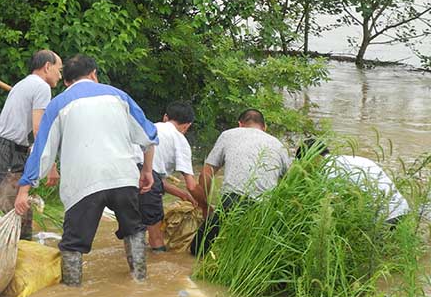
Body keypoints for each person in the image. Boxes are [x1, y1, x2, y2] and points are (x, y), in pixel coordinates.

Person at [14, 54, 158, 286]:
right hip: (123, 176)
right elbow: (149, 136)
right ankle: (140, 280)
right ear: (93, 74)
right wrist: (147, 171)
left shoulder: (58, 104)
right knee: (134, 230)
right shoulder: (119, 96)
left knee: (72, 244)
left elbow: (42, 151)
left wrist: (24, 189)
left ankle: (72, 295)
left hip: (82, 184)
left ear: (67, 82)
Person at [191, 108, 291, 256]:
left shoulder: (228, 135)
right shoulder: (278, 144)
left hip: (231, 203)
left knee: (197, 250)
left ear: (240, 124)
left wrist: (205, 205)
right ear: (265, 128)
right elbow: (289, 182)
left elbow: (207, 172)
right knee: (246, 254)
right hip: (264, 210)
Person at [0, 50, 62, 236]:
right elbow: (38, 129)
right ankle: (16, 257)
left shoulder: (23, 84)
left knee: (21, 211)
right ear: (47, 67)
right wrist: (51, 164)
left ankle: (22, 255)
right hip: (6, 153)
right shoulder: (42, 87)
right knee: (16, 213)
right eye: (59, 70)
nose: (60, 75)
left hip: (7, 150)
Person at [296, 138, 410, 226]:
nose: (306, 168)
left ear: (312, 157)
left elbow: (330, 205)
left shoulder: (328, 169)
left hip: (384, 218)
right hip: (403, 209)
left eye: (304, 162)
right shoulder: (350, 160)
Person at [135, 101, 200, 251]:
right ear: (187, 126)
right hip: (147, 181)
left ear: (165, 117)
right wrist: (203, 205)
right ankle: (159, 264)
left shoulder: (147, 128)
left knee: (134, 232)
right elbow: (191, 184)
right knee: (156, 238)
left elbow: (148, 175)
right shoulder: (179, 139)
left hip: (123, 177)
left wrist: (181, 194)